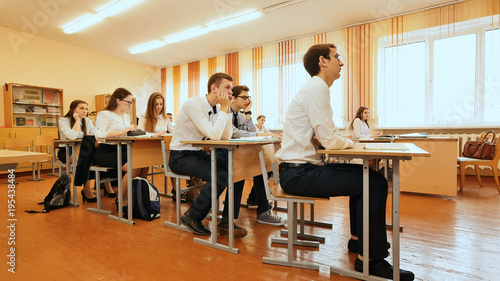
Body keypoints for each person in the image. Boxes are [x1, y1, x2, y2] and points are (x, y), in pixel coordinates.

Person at [275, 43, 414, 281]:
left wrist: (341, 140)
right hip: (298, 174)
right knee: (375, 183)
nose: (341, 62)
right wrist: (349, 142)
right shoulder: (316, 87)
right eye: (336, 57)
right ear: (322, 61)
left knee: (366, 177)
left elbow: (323, 136)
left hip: (302, 169)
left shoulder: (315, 89)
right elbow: (328, 139)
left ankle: (359, 242)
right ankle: (371, 260)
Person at [169, 72, 247, 237]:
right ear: (214, 88)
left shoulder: (217, 108)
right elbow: (213, 135)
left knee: (238, 169)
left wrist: (224, 109)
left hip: (197, 154)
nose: (231, 92)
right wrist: (225, 109)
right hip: (180, 157)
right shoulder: (193, 104)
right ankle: (192, 216)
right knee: (221, 175)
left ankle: (227, 220)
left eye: (231, 88)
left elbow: (225, 136)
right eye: (227, 88)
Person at [230, 85, 286, 226]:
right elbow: (236, 133)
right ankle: (259, 209)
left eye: (248, 97)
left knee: (261, 168)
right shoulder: (225, 113)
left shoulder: (242, 115)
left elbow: (250, 130)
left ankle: (263, 209)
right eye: (243, 97)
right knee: (255, 168)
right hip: (228, 154)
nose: (247, 100)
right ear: (233, 98)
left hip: (240, 154)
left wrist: (248, 112)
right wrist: (260, 134)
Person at [95, 88, 149, 209]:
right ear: (118, 100)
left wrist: (132, 132)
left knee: (145, 162)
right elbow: (98, 135)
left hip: (123, 149)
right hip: (107, 151)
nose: (130, 105)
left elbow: (124, 134)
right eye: (128, 102)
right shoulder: (104, 114)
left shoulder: (125, 117)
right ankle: (121, 198)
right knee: (134, 166)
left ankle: (135, 194)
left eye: (131, 103)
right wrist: (123, 131)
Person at [58, 99, 99, 202]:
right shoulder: (63, 120)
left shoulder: (88, 121)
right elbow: (72, 136)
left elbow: (96, 133)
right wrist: (77, 121)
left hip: (84, 152)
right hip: (67, 152)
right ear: (73, 110)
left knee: (94, 154)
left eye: (86, 109)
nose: (84, 111)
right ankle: (87, 190)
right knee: (86, 155)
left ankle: (105, 185)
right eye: (81, 108)